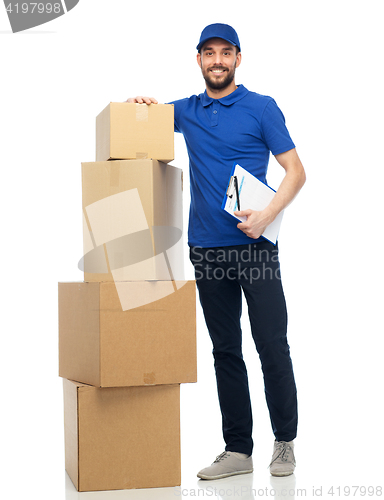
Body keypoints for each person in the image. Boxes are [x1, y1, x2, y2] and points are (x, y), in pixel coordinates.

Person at [127, 23, 306, 479]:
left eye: (226, 52)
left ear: (238, 59)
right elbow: (142, 123)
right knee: (225, 350)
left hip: (255, 248)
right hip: (206, 251)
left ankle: (284, 442)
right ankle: (237, 450)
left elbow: (296, 172)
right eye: (209, 53)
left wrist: (266, 216)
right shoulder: (187, 111)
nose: (218, 60)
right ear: (199, 60)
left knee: (271, 346)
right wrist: (138, 108)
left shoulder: (261, 108)